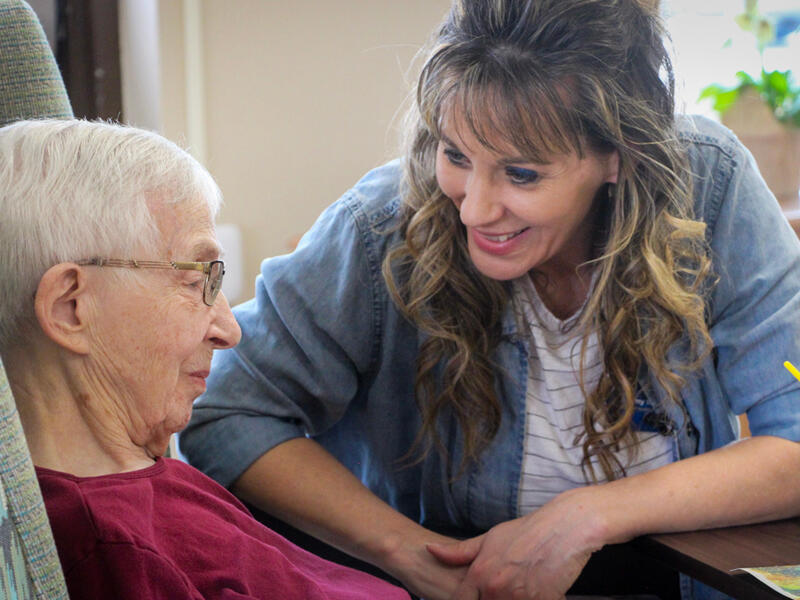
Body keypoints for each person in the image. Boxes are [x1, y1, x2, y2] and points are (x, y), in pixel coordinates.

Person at [180, 1, 800, 599]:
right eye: (456, 155)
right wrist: (407, 554)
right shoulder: (379, 228)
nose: (474, 208)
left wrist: (586, 518)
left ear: (617, 156)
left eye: (522, 174)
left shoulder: (711, 188)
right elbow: (227, 412)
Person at [0, 119, 410, 600]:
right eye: (197, 282)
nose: (229, 331)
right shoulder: (113, 548)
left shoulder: (148, 482)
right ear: (72, 307)